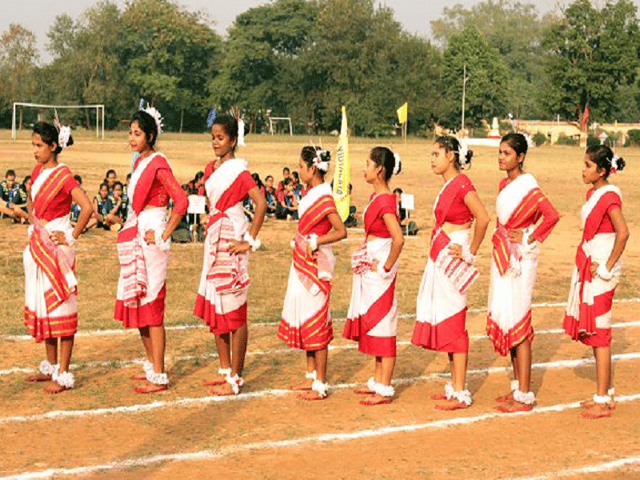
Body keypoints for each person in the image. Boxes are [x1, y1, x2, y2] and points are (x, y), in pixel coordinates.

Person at [114, 107, 188, 394]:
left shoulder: (158, 164)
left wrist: (162, 233)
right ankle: (152, 365)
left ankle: (159, 374)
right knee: (140, 301)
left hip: (152, 234)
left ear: (151, 136)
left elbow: (181, 201)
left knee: (152, 304)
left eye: (137, 133)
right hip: (138, 231)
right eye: (130, 133)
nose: (131, 138)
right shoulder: (141, 163)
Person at [412, 136, 489, 410]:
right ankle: (454, 386)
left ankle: (460, 392)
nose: (432, 160)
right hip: (442, 253)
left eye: (436, 154)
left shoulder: (462, 183)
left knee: (454, 320)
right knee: (446, 318)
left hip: (453, 254)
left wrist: (470, 252)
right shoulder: (448, 184)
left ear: (451, 156)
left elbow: (483, 218)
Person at [193, 114, 266, 396]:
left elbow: (260, 204)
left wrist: (249, 240)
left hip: (232, 237)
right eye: (213, 137)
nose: (215, 142)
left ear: (233, 140)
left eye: (221, 138)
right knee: (217, 303)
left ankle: (236, 377)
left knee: (234, 308)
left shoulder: (239, 172)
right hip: (214, 239)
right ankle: (224, 369)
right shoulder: (210, 169)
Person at [487, 133, 560, 413]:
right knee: (508, 318)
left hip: (521, 260)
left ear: (520, 157)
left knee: (519, 322)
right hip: (502, 257)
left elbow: (551, 215)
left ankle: (525, 395)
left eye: (507, 153)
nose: (501, 157)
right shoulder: (503, 184)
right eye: (500, 152)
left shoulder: (529, 186)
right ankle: (518, 386)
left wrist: (528, 236)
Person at [23, 121, 92, 393]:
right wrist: (34, 223)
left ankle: (63, 373)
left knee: (61, 309)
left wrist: (71, 236)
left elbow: (86, 208)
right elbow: (32, 203)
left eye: (39, 145)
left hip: (57, 250)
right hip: (39, 247)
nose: (35, 150)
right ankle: (51, 366)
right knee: (46, 308)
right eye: (33, 145)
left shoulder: (64, 176)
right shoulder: (37, 171)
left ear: (53, 146)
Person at [563, 145, 628, 419]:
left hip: (601, 271)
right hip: (590, 267)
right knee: (595, 332)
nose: (583, 169)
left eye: (588, 165)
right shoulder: (593, 194)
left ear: (602, 171)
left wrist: (605, 267)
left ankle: (602, 400)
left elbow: (623, 233)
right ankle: (605, 393)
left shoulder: (609, 197)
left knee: (600, 334)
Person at [278, 146, 347, 400]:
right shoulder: (309, 194)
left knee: (317, 319)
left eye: (301, 166)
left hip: (317, 265)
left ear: (313, 168)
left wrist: (317, 241)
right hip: (301, 262)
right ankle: (310, 375)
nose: (299, 171)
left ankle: (321, 383)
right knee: (305, 316)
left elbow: (341, 231)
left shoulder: (324, 198)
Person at [343, 147, 404, 406]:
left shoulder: (385, 201)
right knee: (376, 324)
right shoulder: (376, 197)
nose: (363, 168)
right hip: (371, 270)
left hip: (380, 274)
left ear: (379, 169)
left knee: (384, 324)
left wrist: (385, 267)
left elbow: (398, 238)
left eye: (368, 164)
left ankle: (385, 387)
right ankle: (378, 381)